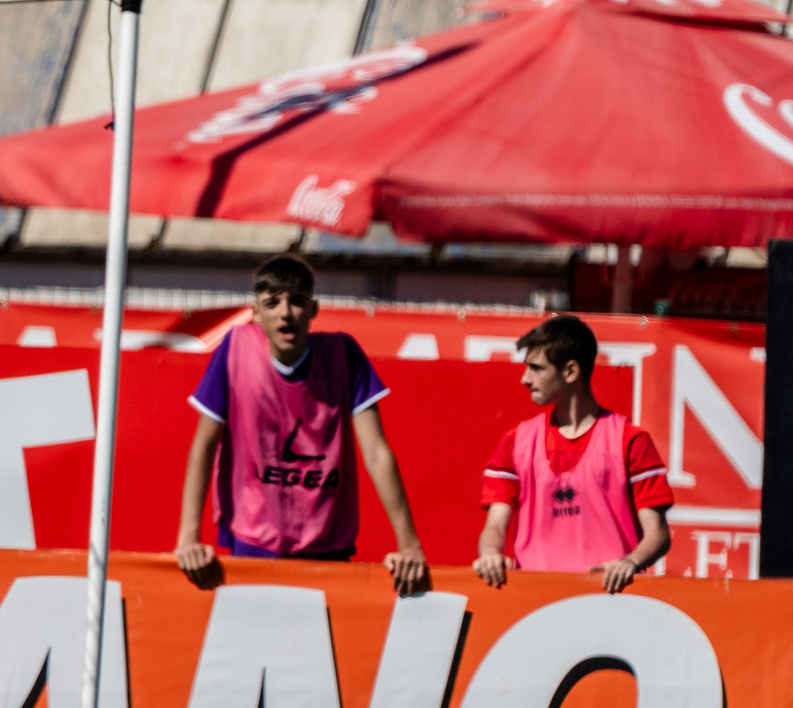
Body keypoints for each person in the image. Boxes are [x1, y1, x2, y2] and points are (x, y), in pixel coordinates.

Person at [174, 254, 430, 596]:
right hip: (254, 539)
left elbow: (376, 452)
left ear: (313, 309)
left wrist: (409, 544)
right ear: (256, 313)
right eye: (272, 303)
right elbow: (204, 445)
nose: (285, 312)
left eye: (296, 301)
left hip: (327, 543)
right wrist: (188, 538)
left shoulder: (344, 355)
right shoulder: (234, 348)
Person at [474, 314, 673, 593]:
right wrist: (490, 553)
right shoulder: (516, 441)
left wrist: (630, 562)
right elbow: (495, 525)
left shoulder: (630, 440)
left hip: (609, 598)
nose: (524, 379)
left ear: (570, 371)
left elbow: (657, 533)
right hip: (533, 600)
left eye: (535, 368)